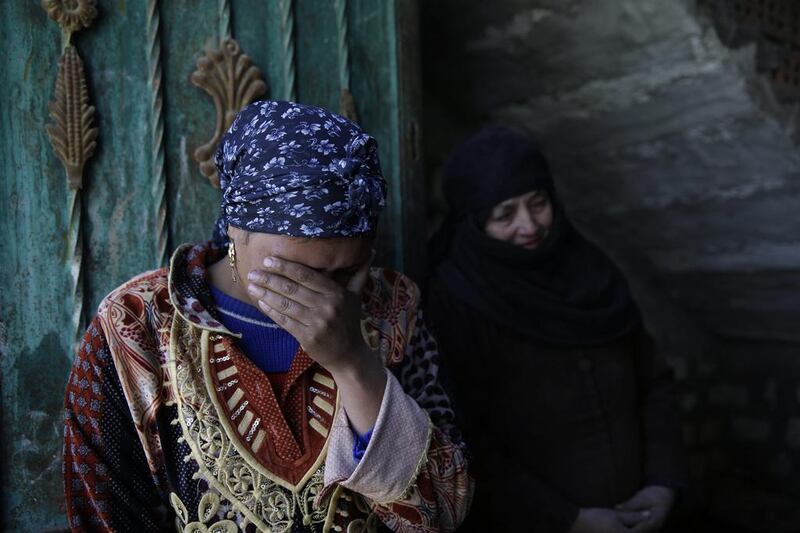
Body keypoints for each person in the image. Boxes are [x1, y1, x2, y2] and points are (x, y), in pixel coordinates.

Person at [63, 100, 472, 532]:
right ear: (237, 230)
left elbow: (442, 513)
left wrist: (353, 362)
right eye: (300, 272)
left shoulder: (393, 307)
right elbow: (103, 515)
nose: (327, 296)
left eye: (348, 271)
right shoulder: (135, 328)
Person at [424, 128, 686, 533]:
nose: (529, 226)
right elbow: (463, 437)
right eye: (504, 215)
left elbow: (654, 383)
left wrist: (662, 484)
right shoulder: (456, 301)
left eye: (538, 203)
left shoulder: (592, 273)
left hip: (640, 513)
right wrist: (570, 520)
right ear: (473, 220)